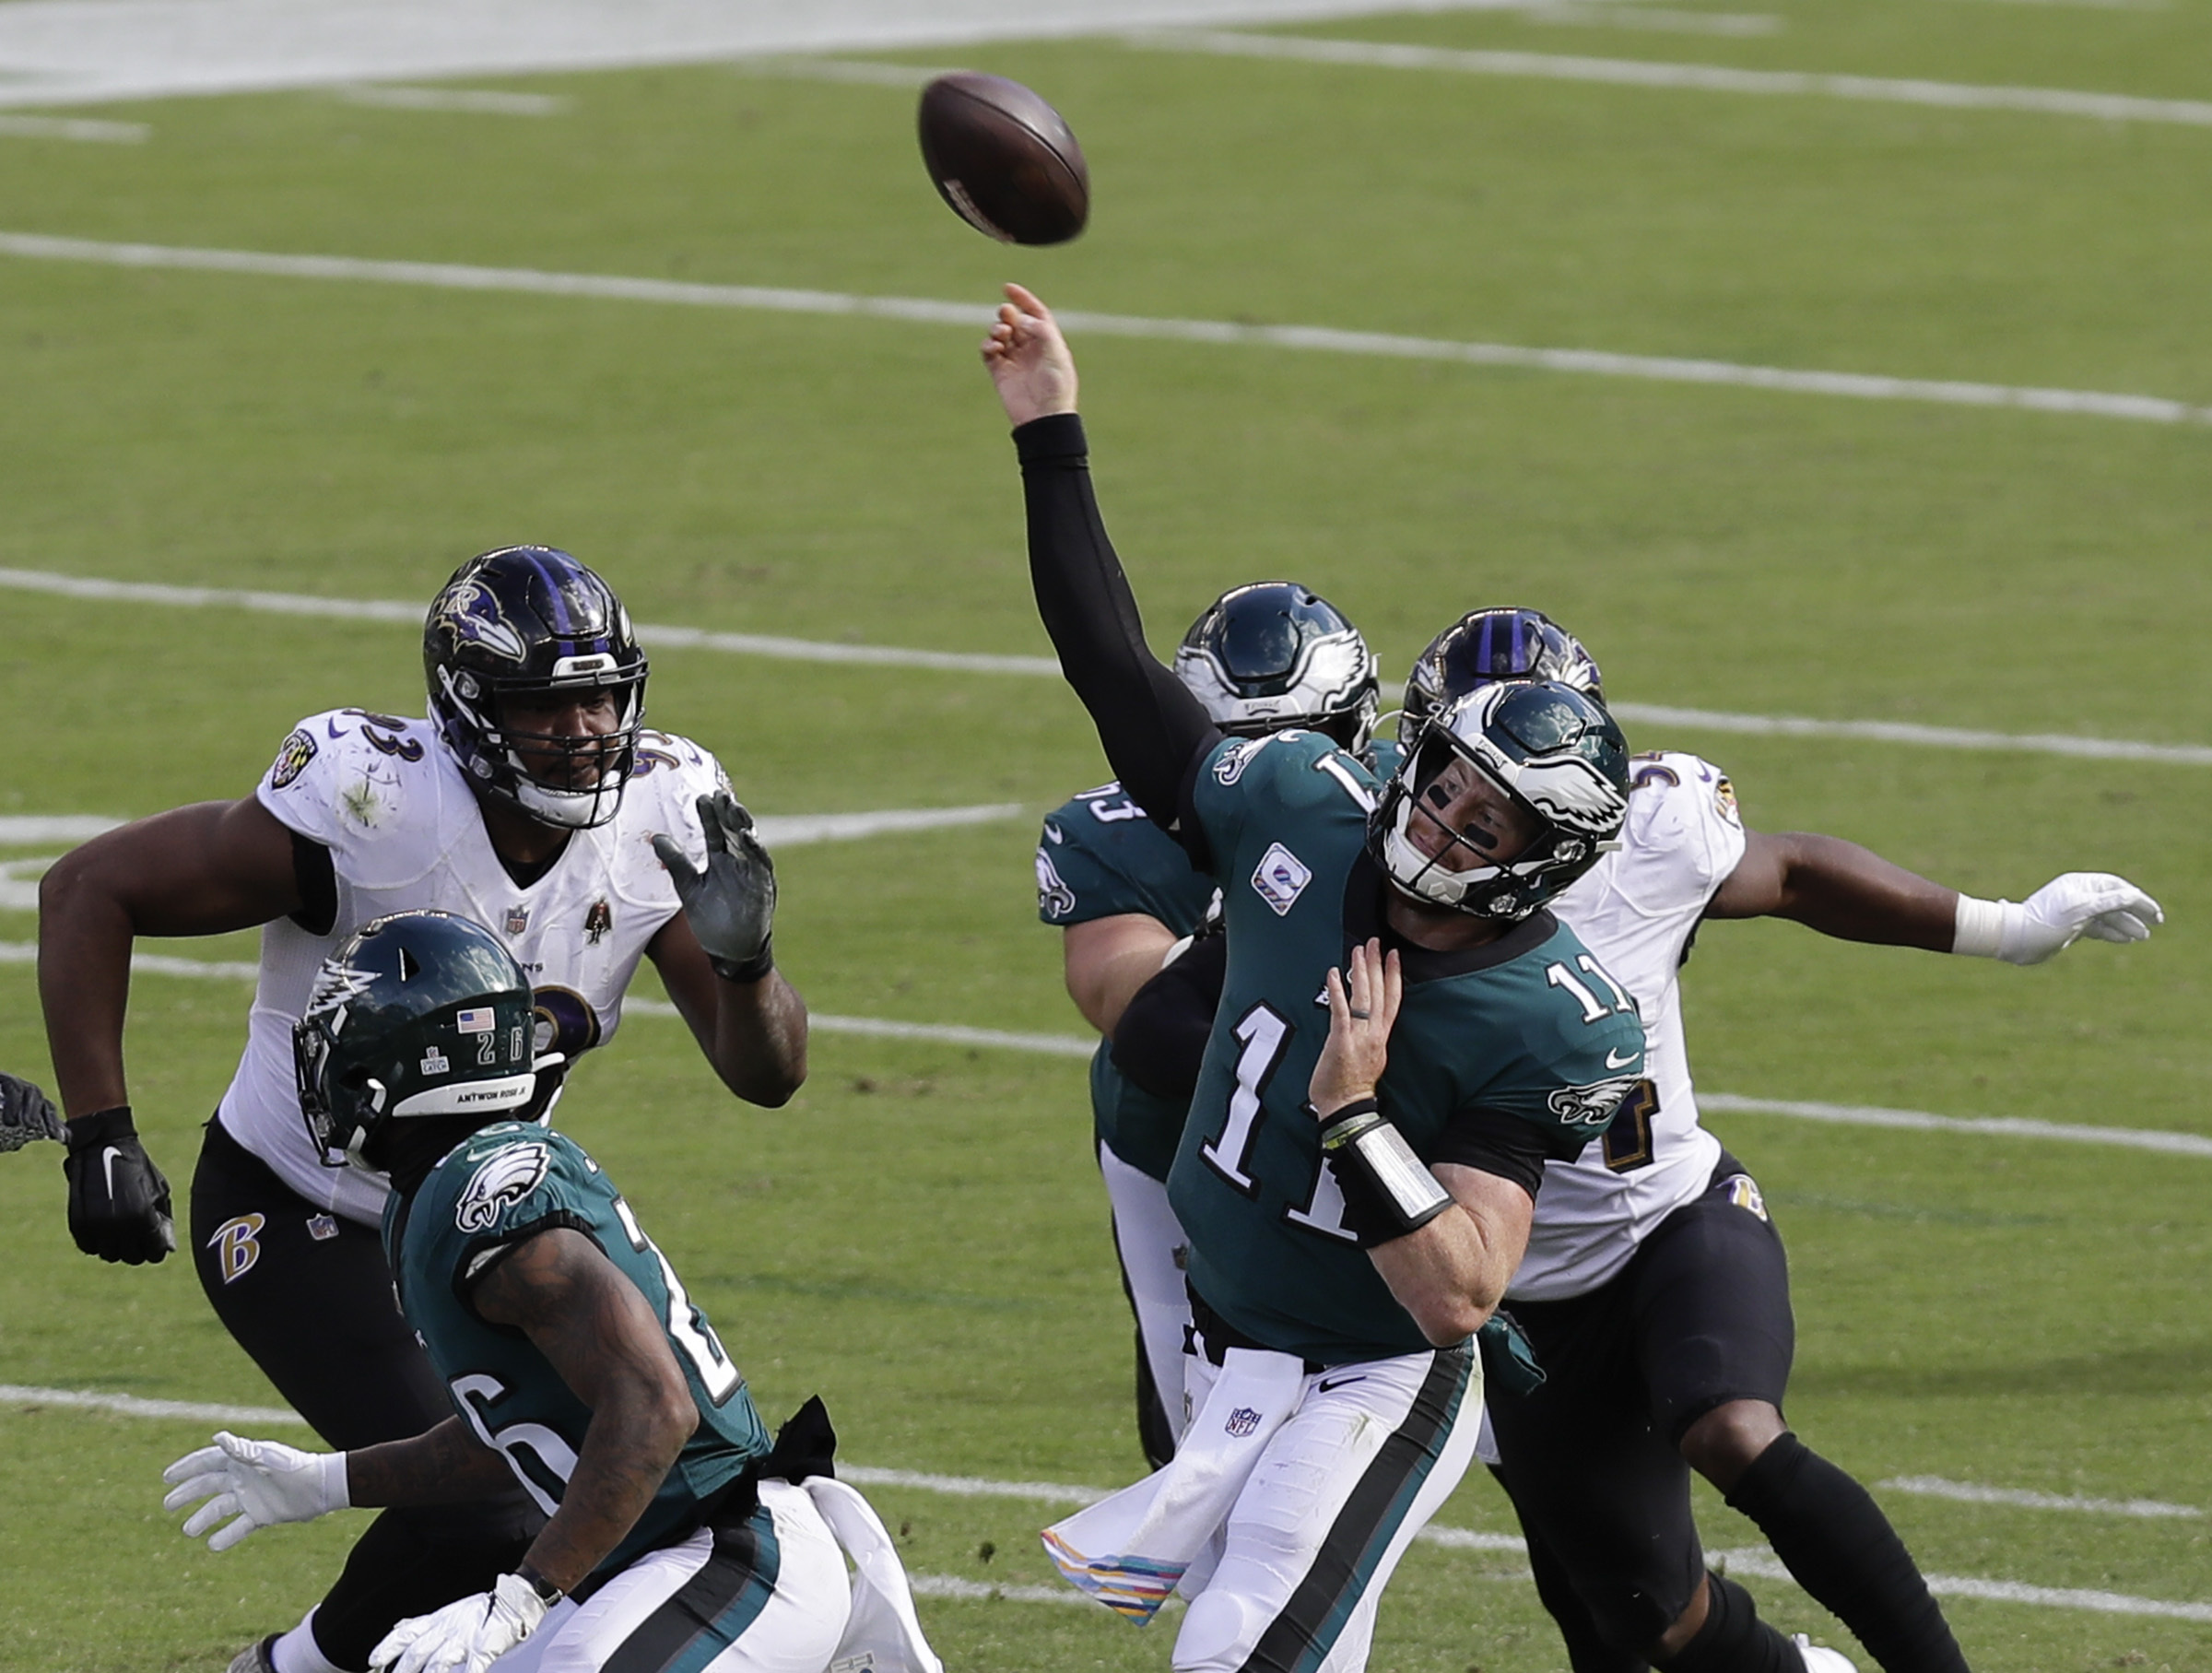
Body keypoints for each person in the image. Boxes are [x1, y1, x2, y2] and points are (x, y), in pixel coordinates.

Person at [984, 283, 1647, 1673]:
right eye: (1448, 783)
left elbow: (1462, 1292)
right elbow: (1113, 669)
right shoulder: (1300, 799)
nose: (1443, 822)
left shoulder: (1549, 1018)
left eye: (1487, 821)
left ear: (1541, 865)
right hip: (1229, 1332)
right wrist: (1051, 429)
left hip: (1374, 1372)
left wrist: (1354, 1116)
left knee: (1244, 1647)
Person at [38, 546, 807, 1673]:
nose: (588, 728)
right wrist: (101, 1131)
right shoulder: (373, 801)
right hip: (300, 1203)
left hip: (491, 1225)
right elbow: (90, 888)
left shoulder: (662, 807)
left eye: (603, 695)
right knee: (503, 1500)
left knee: (579, 1478)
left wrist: (748, 969)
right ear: (468, 708)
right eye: (548, 704)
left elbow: (768, 1074)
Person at [1402, 607, 2164, 1673]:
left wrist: (2007, 927)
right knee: (1634, 1618)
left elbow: (1795, 873)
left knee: (1732, 1429)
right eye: (1457, 779)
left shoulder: (1653, 835)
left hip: (1673, 1220)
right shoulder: (1364, 891)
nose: (1467, 815)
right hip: (1513, 1300)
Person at [159, 910, 936, 1673]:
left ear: (400, 1064)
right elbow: (524, 1435)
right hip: (650, 1568)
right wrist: (329, 1481)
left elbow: (655, 1405)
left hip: (729, 1554)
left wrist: (526, 1593)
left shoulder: (483, 1195)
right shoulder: (432, 1193)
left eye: (342, 1039)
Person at [1037, 580, 1381, 1468]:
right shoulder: (1113, 830)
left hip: (1353, 1136)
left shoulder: (1408, 817)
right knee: (1195, 1439)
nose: (1276, 780)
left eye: (1303, 746)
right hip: (1177, 1150)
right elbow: (1120, 998)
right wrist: (1256, 930)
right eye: (1241, 749)